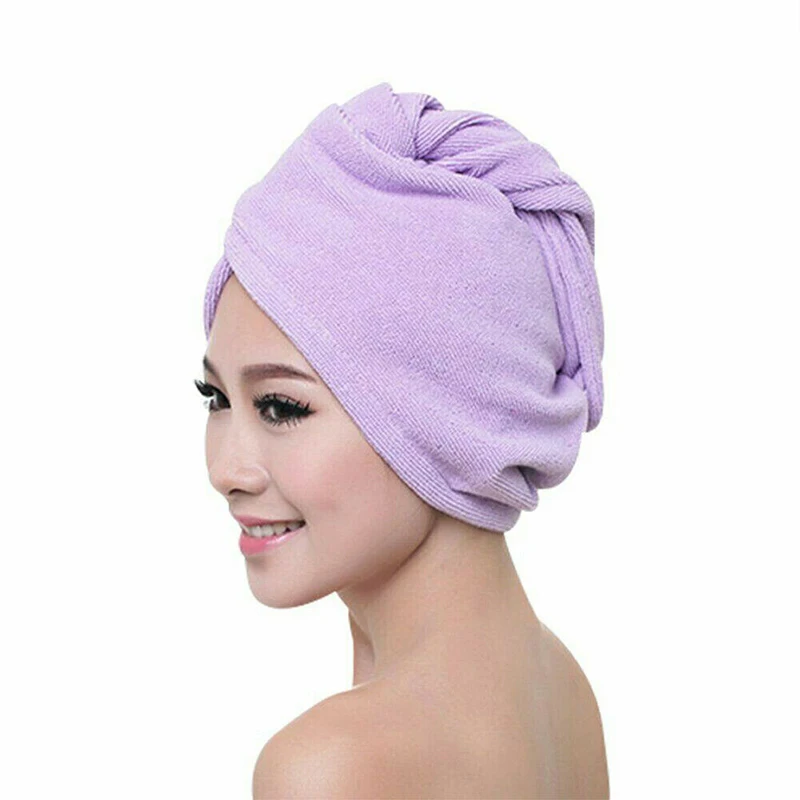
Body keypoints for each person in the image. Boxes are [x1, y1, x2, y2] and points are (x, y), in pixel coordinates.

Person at [197, 82, 609, 798]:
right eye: (216, 398)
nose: (226, 470)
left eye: (281, 406)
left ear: (450, 421)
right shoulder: (563, 691)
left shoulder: (331, 766)